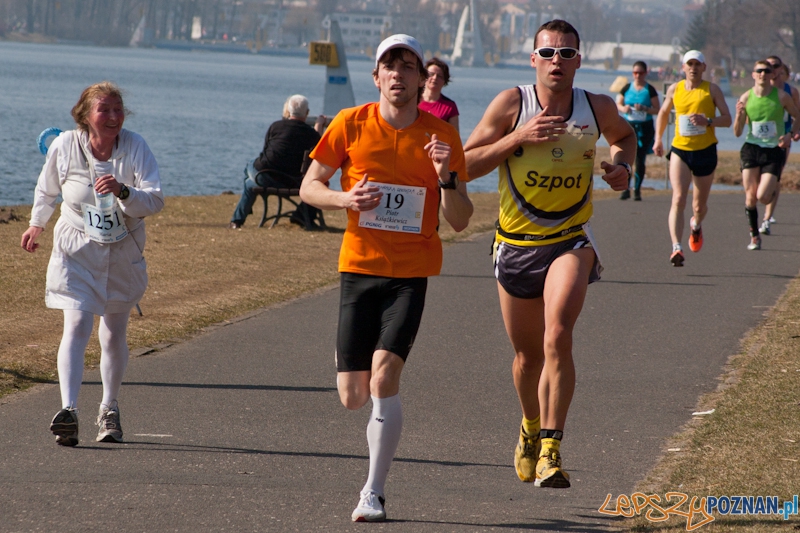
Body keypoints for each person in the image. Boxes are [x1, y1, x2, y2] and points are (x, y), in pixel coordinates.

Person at [299, 34, 472, 521]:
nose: (398, 74)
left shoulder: (441, 138)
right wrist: (345, 200)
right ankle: (349, 361)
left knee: (385, 375)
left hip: (411, 273)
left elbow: (460, 219)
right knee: (353, 396)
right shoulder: (349, 123)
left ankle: (372, 492)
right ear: (377, 77)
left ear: (423, 79)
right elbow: (309, 187)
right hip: (359, 266)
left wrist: (446, 176)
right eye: (389, 66)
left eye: (408, 66)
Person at [463, 19, 635, 488]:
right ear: (533, 59)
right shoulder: (511, 103)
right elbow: (465, 164)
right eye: (548, 53)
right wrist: (519, 137)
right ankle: (529, 427)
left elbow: (626, 138)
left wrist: (621, 170)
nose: (556, 61)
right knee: (526, 359)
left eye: (567, 53)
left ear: (579, 60)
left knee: (558, 334)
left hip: (570, 240)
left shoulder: (596, 106)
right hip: (516, 247)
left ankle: (552, 450)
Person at [20, 81, 164, 446]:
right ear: (85, 115)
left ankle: (108, 408)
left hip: (121, 251)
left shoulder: (136, 147)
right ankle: (68, 410)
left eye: (118, 109)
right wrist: (37, 223)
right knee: (78, 322)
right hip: (75, 249)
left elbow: (154, 200)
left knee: (114, 331)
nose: (114, 116)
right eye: (105, 109)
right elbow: (47, 188)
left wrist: (124, 191)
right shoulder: (65, 145)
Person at [653, 50, 732, 267]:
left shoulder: (711, 90)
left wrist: (708, 121)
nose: (693, 68)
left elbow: (727, 119)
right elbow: (663, 113)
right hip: (680, 149)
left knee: (699, 206)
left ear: (704, 68)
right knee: (678, 198)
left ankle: (696, 225)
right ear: (683, 67)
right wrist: (658, 139)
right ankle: (676, 247)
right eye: (690, 64)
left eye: (698, 64)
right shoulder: (675, 89)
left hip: (705, 150)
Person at [229, 94, 325, 229]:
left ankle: (236, 221)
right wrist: (319, 125)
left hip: (266, 177)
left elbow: (265, 151)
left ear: (288, 111)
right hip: (294, 181)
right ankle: (301, 216)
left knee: (249, 174)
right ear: (307, 113)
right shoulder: (312, 135)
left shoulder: (276, 126)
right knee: (249, 182)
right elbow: (318, 149)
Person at [733, 59, 800, 250]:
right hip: (751, 148)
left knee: (762, 196)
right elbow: (737, 132)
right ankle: (754, 236)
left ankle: (770, 197)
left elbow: (798, 116)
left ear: (772, 75)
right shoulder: (745, 98)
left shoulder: (781, 96)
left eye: (767, 71)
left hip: (773, 150)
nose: (763, 74)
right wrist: (739, 116)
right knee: (750, 197)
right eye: (759, 71)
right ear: (753, 74)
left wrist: (790, 134)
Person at [761, 56, 800, 233]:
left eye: (775, 66)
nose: (771, 69)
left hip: (781, 138)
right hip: (760, 139)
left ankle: (767, 218)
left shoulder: (790, 92)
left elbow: (797, 115)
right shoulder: (759, 90)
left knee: (775, 176)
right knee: (758, 179)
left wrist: (794, 132)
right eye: (767, 66)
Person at [616, 60, 660, 200]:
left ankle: (637, 190)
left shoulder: (650, 90)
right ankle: (625, 189)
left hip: (644, 128)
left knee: (640, 160)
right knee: (626, 158)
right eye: (635, 73)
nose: (638, 76)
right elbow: (618, 103)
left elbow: (658, 109)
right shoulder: (627, 88)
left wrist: (645, 109)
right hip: (628, 126)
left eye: (640, 73)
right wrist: (624, 109)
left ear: (646, 73)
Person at [419, 57, 460, 132]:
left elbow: (455, 138)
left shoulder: (450, 106)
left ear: (445, 81)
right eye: (431, 74)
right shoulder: (413, 101)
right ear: (424, 76)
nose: (435, 78)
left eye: (439, 76)